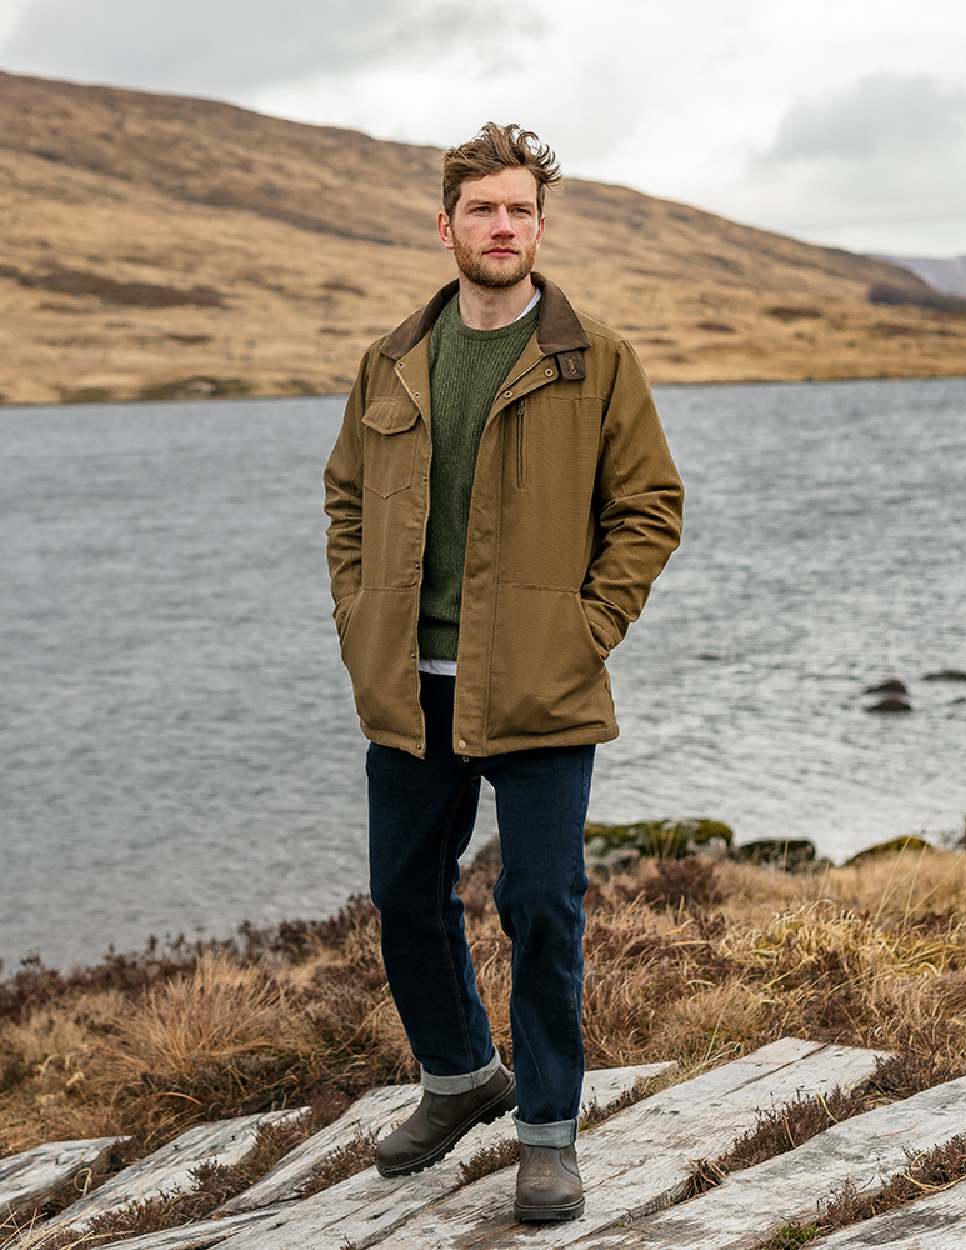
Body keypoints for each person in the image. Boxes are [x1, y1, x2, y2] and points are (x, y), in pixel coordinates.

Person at [323, 121, 684, 1224]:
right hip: (410, 684)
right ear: (446, 226)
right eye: (481, 209)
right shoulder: (392, 361)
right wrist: (357, 614)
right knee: (402, 899)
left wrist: (588, 627)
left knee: (540, 904)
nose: (502, 226)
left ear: (540, 225)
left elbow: (649, 507)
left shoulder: (594, 358)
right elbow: (346, 500)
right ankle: (457, 1076)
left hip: (540, 684)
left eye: (519, 209)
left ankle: (546, 1133)